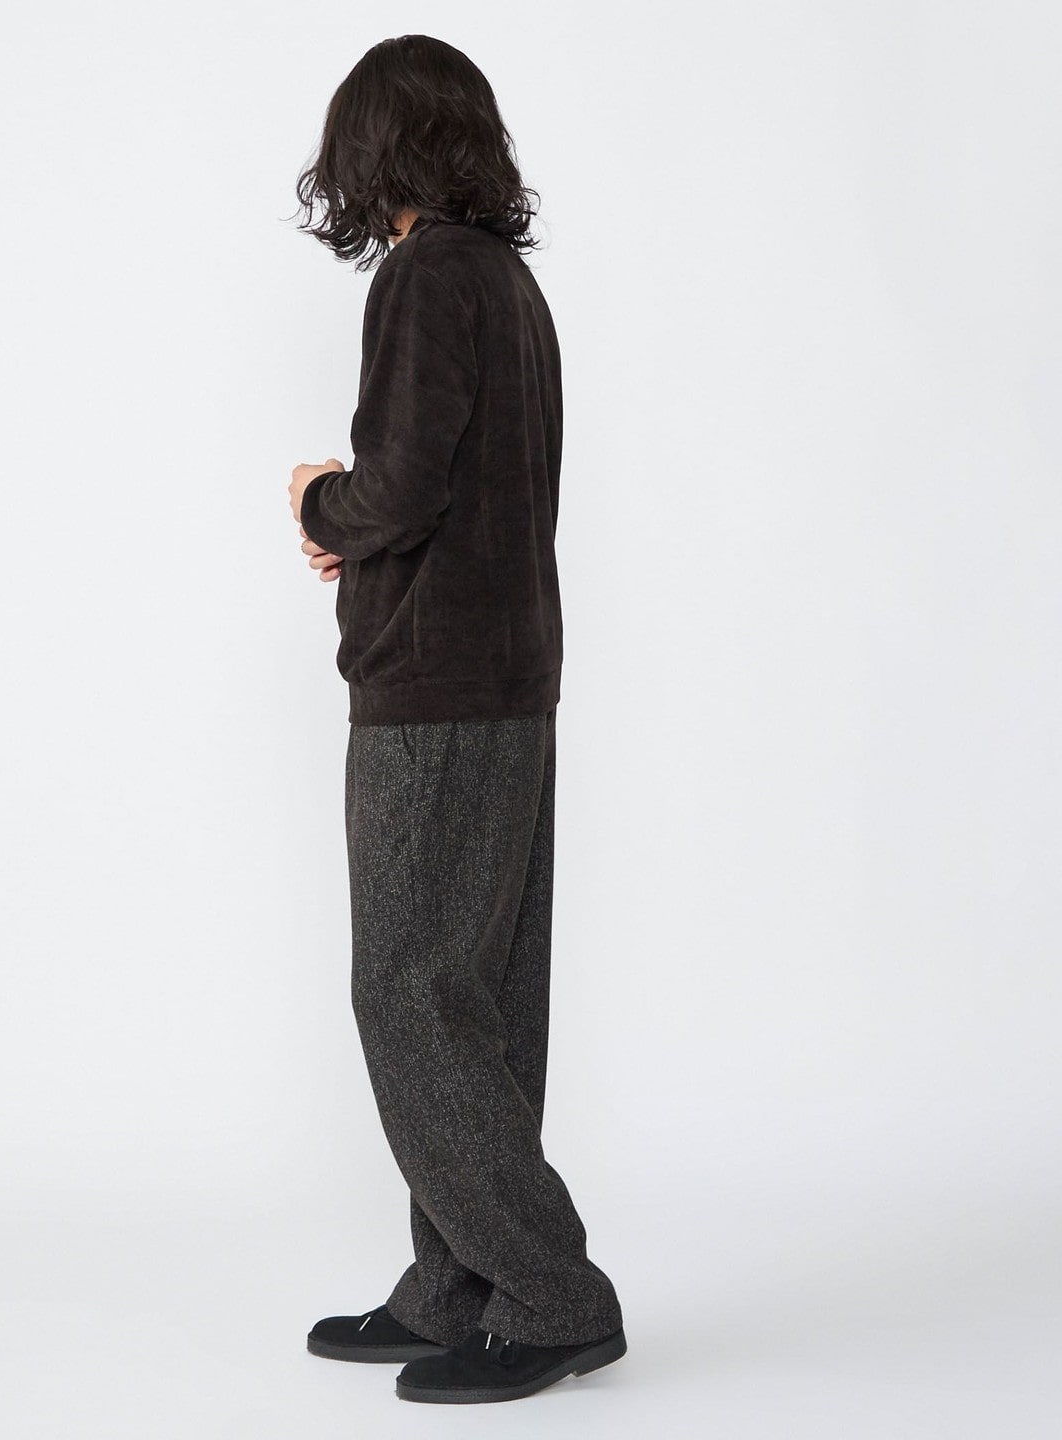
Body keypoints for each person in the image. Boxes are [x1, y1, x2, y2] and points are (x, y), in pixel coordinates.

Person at [287, 34, 626, 1405]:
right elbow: (468, 482)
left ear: (379, 149)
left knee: (413, 994)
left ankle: (550, 1292)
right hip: (508, 678)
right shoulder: (507, 283)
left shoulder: (429, 275)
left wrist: (323, 503)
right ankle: (460, 1282)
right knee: (476, 997)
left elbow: (405, 483)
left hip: (432, 691)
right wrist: (367, 522)